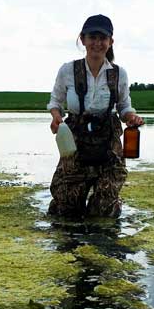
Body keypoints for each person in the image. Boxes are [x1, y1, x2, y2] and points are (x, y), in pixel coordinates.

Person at [47, 14, 144, 218]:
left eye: (103, 38)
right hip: (74, 143)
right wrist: (56, 117)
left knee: (103, 209)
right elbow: (55, 103)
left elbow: (124, 107)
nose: (97, 43)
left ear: (110, 42)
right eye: (93, 37)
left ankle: (109, 210)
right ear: (83, 40)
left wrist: (132, 118)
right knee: (66, 207)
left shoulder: (119, 74)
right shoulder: (68, 70)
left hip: (107, 143)